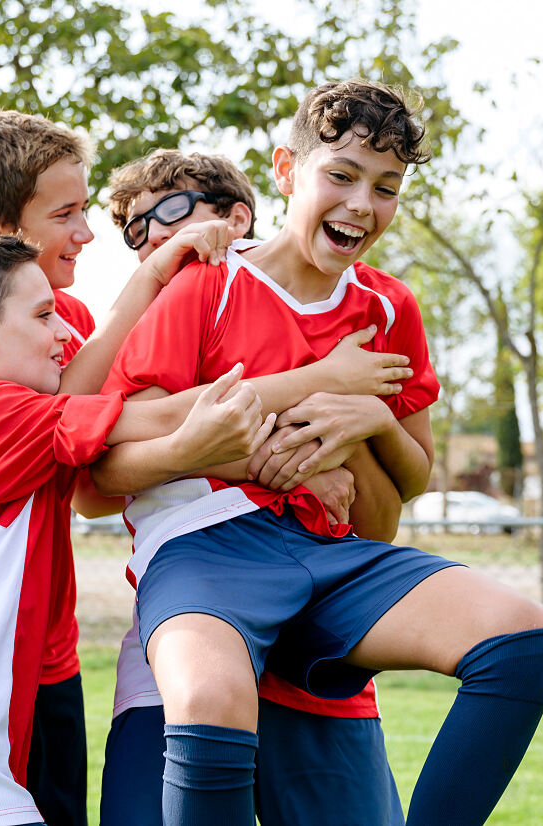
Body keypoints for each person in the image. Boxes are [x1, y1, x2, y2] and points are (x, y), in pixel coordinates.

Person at [91, 80, 543, 826]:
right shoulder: (208, 286)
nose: (360, 204)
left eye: (386, 188)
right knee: (210, 697)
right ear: (286, 171)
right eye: (340, 175)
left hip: (332, 552)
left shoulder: (387, 307)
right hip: (207, 552)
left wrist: (367, 417)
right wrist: (267, 427)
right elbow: (117, 436)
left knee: (524, 637)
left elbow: (410, 478)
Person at [0, 234, 280, 826]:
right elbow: (164, 417)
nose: (63, 332)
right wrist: (330, 381)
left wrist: (148, 275)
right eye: (43, 316)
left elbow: (81, 386)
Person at [0, 111, 236, 826]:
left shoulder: (59, 313)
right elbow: (77, 433)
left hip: (45, 653)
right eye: (66, 213)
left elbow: (98, 468)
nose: (88, 233)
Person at [98, 149, 408, 825]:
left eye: (175, 211)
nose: (156, 233)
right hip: (183, 643)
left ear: (239, 219)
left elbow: (376, 520)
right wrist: (272, 452)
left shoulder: (351, 315)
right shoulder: (146, 331)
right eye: (137, 227)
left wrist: (357, 425)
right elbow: (97, 476)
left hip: (311, 654)